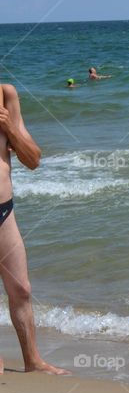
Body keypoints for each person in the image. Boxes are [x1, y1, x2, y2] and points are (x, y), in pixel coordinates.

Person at [0, 83, 68, 376]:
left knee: (22, 289)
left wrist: (9, 128)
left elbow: (33, 159)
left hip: (4, 211)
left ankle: (33, 361)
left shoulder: (6, 94)